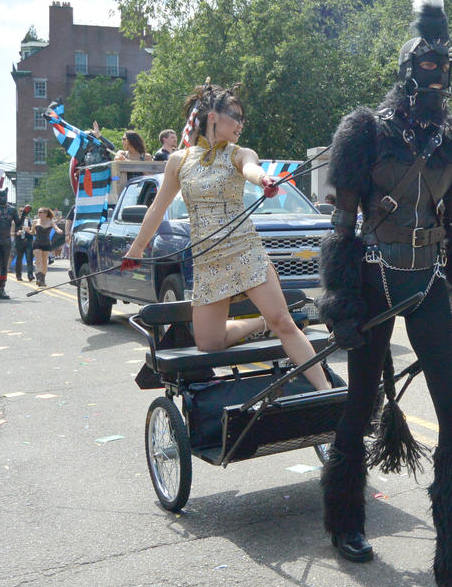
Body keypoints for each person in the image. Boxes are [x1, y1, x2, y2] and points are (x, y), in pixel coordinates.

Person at [315, 0, 452, 587]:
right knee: (361, 400)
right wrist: (338, 299)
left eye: (445, 64)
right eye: (427, 63)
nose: (438, 74)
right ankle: (344, 521)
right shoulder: (364, 130)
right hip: (371, 278)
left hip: (428, 278)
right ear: (408, 67)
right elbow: (340, 228)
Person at [124, 82, 331, 392]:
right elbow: (157, 207)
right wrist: (137, 248)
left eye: (242, 119)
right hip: (208, 260)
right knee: (209, 343)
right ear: (213, 117)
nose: (240, 125)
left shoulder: (239, 153)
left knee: (284, 323)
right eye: (235, 116)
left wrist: (264, 179)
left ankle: (325, 392)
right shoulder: (179, 161)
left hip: (244, 250)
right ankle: (261, 323)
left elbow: (251, 168)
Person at [30, 208, 62, 287]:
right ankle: (38, 278)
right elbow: (32, 232)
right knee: (38, 261)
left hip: (47, 243)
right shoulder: (35, 222)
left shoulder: (50, 221)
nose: (40, 214)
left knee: (44, 262)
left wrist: (59, 230)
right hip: (37, 243)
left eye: (42, 212)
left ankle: (43, 280)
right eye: (39, 212)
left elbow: (56, 227)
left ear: (46, 213)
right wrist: (27, 231)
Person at [14, 204, 35, 282]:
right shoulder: (15, 221)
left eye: (24, 211)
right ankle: (18, 275)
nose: (22, 212)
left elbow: (34, 232)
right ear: (18, 212)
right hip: (19, 242)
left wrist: (30, 231)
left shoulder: (30, 220)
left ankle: (30, 275)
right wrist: (17, 233)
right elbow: (10, 232)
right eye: (21, 211)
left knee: (29, 258)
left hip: (28, 241)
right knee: (19, 259)